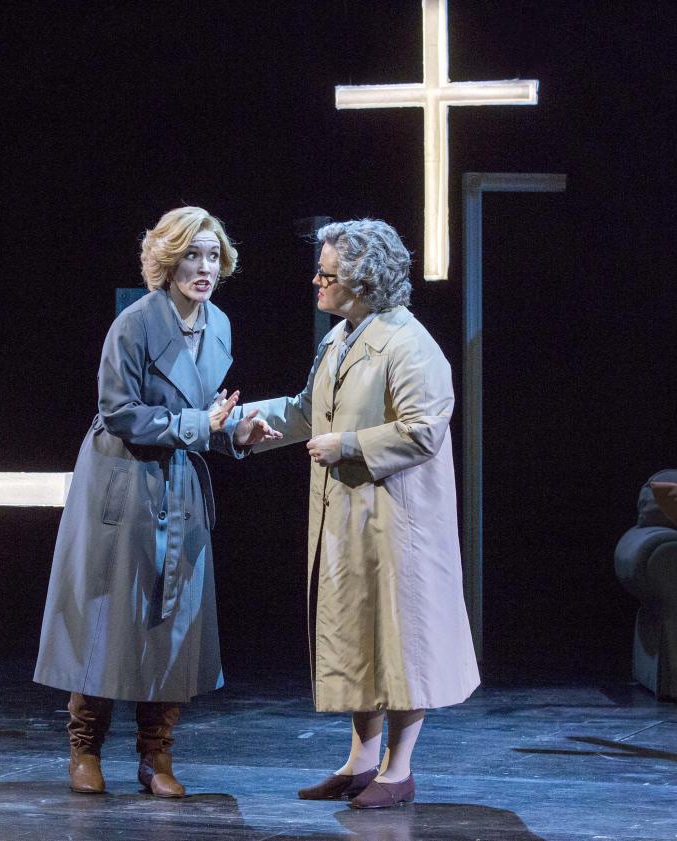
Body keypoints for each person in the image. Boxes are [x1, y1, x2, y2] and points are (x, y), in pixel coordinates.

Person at [34, 206, 280, 798]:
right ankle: (84, 749)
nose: (204, 267)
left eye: (213, 256)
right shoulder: (135, 323)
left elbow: (204, 416)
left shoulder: (218, 324)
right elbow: (120, 413)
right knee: (106, 616)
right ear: (167, 261)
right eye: (192, 255)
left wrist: (235, 436)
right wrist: (204, 422)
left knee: (174, 625)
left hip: (179, 486)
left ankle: (157, 757)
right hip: (123, 483)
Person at [238, 219, 479, 809]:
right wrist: (245, 423)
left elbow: (423, 430)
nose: (316, 281)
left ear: (365, 282)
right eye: (319, 270)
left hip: (398, 521)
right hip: (348, 515)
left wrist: (347, 445)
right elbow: (304, 410)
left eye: (329, 274)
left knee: (400, 642)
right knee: (355, 636)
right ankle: (361, 762)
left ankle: (400, 770)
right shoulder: (340, 337)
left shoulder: (409, 344)